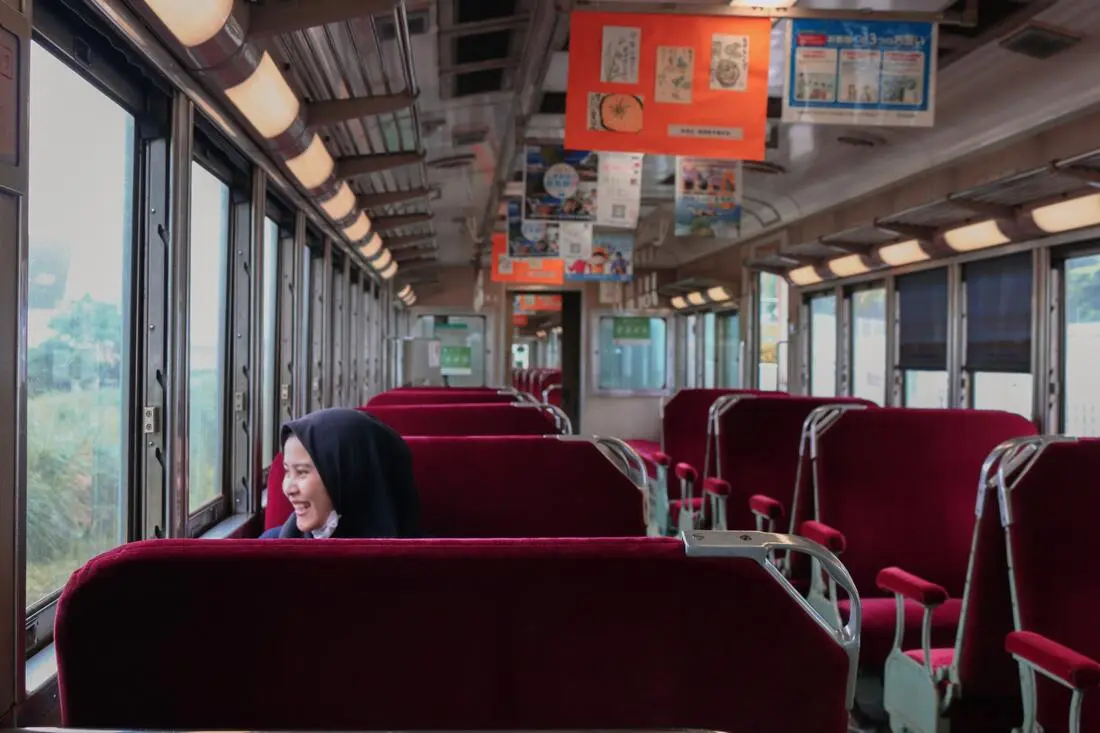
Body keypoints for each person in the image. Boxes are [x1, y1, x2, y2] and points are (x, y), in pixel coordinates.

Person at [260, 407, 421, 539]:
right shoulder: (269, 546)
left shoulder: (424, 561)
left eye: (302, 472)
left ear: (351, 477)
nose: (288, 489)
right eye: (287, 471)